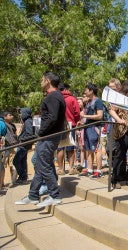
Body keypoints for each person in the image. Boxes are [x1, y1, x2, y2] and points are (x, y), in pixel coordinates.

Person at [15, 71, 66, 207]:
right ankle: (33, 195)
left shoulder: (53, 96)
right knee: (39, 162)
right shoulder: (55, 96)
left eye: (42, 79)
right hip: (47, 136)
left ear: (48, 81)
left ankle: (54, 195)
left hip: (49, 136)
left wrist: (42, 131)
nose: (41, 82)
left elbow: (53, 117)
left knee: (44, 164)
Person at [108, 78, 128, 188]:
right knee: (120, 154)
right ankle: (115, 179)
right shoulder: (119, 98)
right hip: (122, 129)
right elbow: (111, 110)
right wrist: (118, 119)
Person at [78, 83, 104, 178]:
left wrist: (85, 116)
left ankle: (99, 170)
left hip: (95, 128)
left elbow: (100, 116)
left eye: (86, 90)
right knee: (88, 150)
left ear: (91, 91)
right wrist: (83, 122)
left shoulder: (98, 101)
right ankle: (90, 169)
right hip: (87, 128)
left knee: (97, 149)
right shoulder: (89, 102)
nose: (85, 92)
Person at [56, 83, 81, 175]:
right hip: (71, 125)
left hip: (59, 125)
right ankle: (71, 168)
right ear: (66, 89)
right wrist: (77, 120)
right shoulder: (72, 99)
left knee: (60, 147)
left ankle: (61, 169)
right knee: (71, 147)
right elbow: (77, 112)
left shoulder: (57, 98)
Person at [13, 107, 35, 185]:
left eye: (21, 113)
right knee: (22, 161)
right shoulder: (27, 121)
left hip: (23, 145)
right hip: (24, 145)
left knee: (15, 161)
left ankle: (22, 177)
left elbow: (30, 134)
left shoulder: (28, 122)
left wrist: (22, 140)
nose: (20, 115)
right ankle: (23, 178)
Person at [2, 111, 18, 186]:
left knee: (13, 164)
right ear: (5, 117)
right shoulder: (2, 125)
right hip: (5, 148)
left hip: (12, 147)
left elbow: (15, 135)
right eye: (10, 115)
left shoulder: (12, 125)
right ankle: (2, 183)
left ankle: (13, 181)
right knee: (3, 165)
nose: (11, 116)